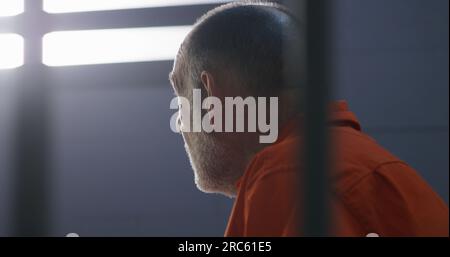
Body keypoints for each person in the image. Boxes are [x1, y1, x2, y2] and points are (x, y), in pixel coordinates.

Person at [168, 1, 449, 236]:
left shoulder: (290, 172)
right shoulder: (363, 166)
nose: (180, 124)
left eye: (182, 103)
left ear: (211, 97)